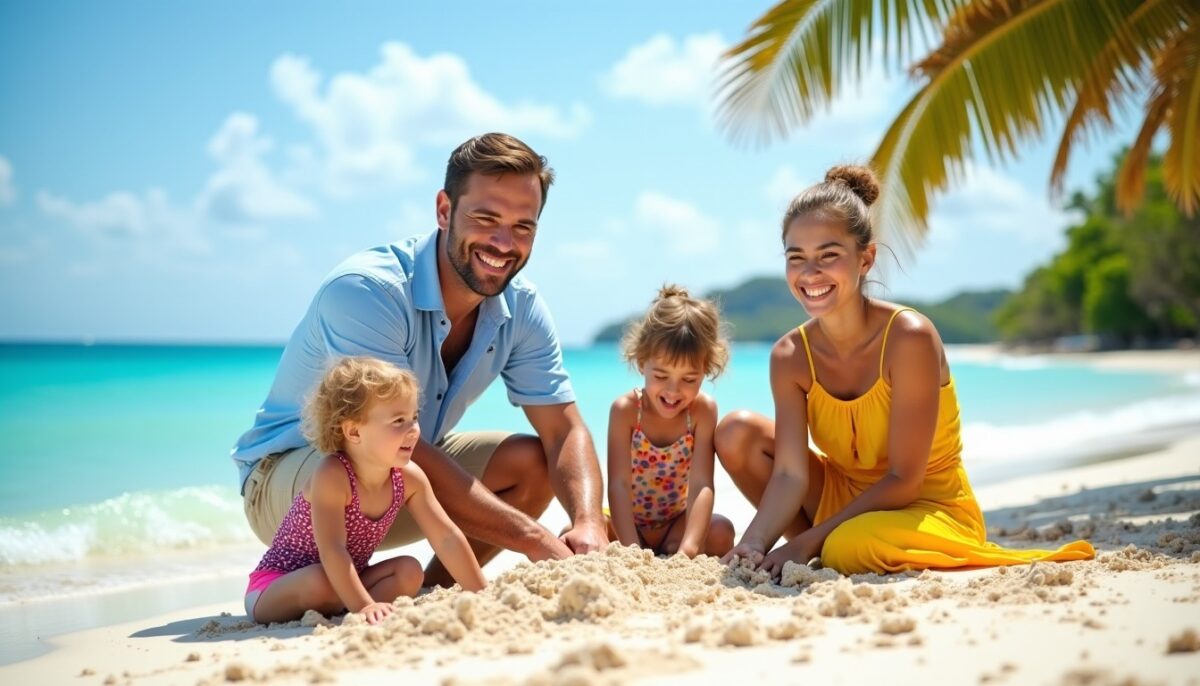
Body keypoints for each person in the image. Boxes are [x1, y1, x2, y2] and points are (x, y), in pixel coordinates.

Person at [233, 133, 607, 587]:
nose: (503, 242)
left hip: (398, 469)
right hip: (294, 480)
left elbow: (564, 429)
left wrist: (589, 523)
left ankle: (439, 589)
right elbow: (381, 442)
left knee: (530, 462)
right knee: (374, 454)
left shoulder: (523, 308)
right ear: (445, 210)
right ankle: (328, 584)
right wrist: (535, 540)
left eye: (522, 227)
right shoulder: (367, 291)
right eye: (485, 217)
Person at [717, 165, 1095, 576]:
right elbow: (790, 473)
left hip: (925, 508)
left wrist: (808, 541)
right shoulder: (790, 355)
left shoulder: (908, 337)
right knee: (738, 432)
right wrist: (753, 542)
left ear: (866, 259)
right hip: (841, 500)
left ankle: (819, 548)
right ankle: (809, 551)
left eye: (829, 255)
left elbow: (904, 479)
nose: (810, 274)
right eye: (797, 258)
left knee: (849, 546)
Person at [246, 357, 485, 625]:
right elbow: (333, 550)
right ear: (354, 432)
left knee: (409, 571)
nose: (413, 430)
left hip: (346, 580)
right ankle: (356, 606)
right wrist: (363, 605)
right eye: (398, 421)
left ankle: (348, 607)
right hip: (275, 588)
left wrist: (480, 593)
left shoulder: (409, 479)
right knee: (319, 580)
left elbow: (447, 538)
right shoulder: (333, 475)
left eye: (414, 417)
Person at [606, 285, 735, 558]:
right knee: (574, 534)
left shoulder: (701, 412)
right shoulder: (627, 411)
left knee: (722, 531)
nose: (673, 391)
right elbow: (618, 484)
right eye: (661, 376)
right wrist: (631, 550)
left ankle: (674, 547)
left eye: (689, 380)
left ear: (706, 370)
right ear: (642, 363)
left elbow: (701, 484)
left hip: (674, 523)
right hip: (626, 524)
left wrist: (689, 548)